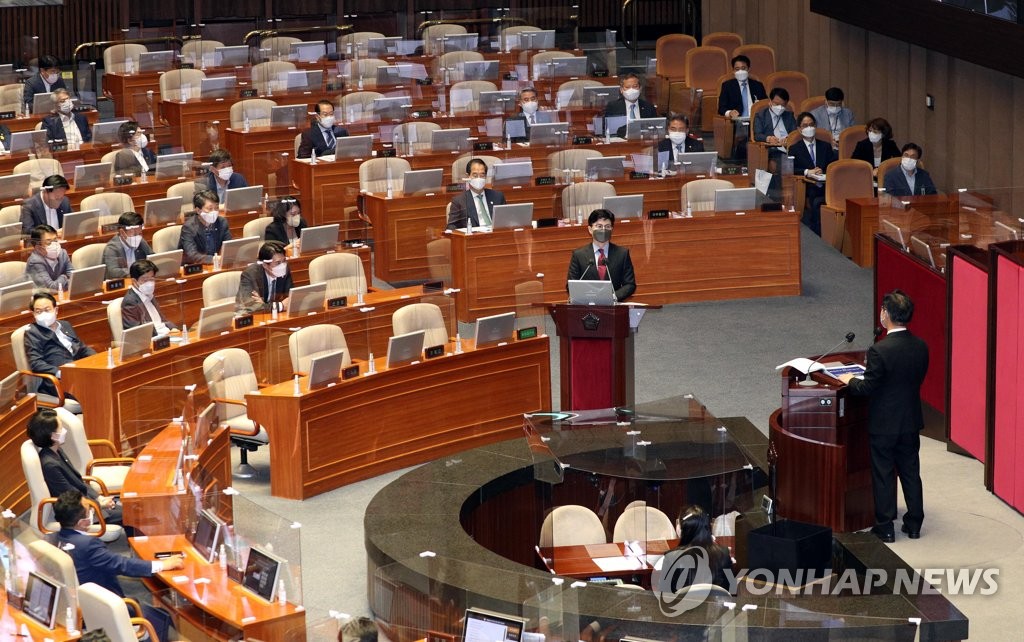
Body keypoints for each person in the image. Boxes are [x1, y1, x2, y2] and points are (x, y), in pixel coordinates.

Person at [839, 290, 929, 542]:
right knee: (911, 471)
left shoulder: (880, 351)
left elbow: (867, 388)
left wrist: (851, 380)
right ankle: (913, 524)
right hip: (910, 420)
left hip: (884, 424)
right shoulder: (921, 346)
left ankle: (885, 526)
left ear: (886, 315)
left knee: (883, 472)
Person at [50, 490, 180, 642]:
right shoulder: (87, 545)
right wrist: (162, 565)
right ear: (82, 522)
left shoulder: (56, 538)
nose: (93, 510)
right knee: (160, 618)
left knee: (151, 610)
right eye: (89, 510)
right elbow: (122, 564)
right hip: (102, 608)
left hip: (77, 607)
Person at [26, 409, 120, 523]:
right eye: (61, 428)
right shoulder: (50, 466)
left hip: (87, 503)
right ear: (54, 436)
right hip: (78, 514)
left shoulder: (56, 450)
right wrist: (99, 504)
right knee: (130, 515)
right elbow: (70, 497)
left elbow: (78, 481)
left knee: (128, 510)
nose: (65, 430)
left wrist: (99, 498)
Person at [23, 292, 96, 398]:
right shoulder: (32, 332)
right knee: (96, 387)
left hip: (79, 371)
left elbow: (82, 348)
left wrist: (97, 359)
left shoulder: (65, 325)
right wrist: (59, 373)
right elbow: (36, 363)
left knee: (105, 379)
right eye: (38, 311)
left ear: (56, 310)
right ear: (33, 314)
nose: (43, 314)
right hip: (59, 381)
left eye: (47, 310)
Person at [655, 505, 732, 592]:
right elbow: (731, 590)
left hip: (682, 605)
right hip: (715, 605)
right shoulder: (724, 554)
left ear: (681, 529)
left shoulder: (671, 558)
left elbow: (664, 595)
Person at [566, 209, 636, 301]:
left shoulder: (622, 253)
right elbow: (571, 284)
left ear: (612, 229)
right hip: (587, 305)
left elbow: (630, 284)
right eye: (599, 226)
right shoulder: (578, 255)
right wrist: (588, 296)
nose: (603, 230)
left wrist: (613, 297)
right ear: (590, 229)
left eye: (607, 226)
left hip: (613, 306)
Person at [788, 112, 836, 236]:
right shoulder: (795, 148)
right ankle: (818, 235)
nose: (809, 128)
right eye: (805, 125)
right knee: (816, 201)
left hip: (827, 185)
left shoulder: (825, 146)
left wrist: (823, 172)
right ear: (799, 129)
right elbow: (790, 169)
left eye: (811, 124)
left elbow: (833, 166)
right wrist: (807, 172)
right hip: (807, 186)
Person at [446, 158, 507, 230]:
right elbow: (451, 228)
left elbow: (506, 221)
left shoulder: (498, 197)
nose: (479, 179)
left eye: (482, 175)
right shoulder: (459, 201)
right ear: (468, 176)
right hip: (474, 239)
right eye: (475, 175)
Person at [121, 259, 177, 336]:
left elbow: (162, 320)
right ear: (134, 281)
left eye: (152, 278)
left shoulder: (149, 295)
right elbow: (136, 333)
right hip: (153, 339)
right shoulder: (130, 302)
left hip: (166, 334)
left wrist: (174, 329)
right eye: (145, 280)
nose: (150, 283)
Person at [236, 241, 292, 314]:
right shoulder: (250, 274)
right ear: (265, 265)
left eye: (284, 261)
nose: (282, 265)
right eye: (278, 263)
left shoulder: (285, 270)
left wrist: (263, 305)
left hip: (274, 316)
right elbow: (252, 306)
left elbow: (290, 299)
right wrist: (279, 306)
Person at [178, 190, 231, 265]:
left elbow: (229, 246)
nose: (214, 212)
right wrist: (214, 259)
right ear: (198, 210)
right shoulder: (188, 227)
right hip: (194, 267)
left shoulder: (222, 222)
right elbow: (192, 255)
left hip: (216, 265)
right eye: (210, 209)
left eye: (216, 208)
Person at [101, 212, 153, 279]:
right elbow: (113, 272)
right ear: (122, 232)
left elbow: (153, 259)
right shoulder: (112, 248)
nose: (137, 237)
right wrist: (139, 272)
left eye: (140, 233)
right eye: (134, 234)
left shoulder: (141, 241)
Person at [603, 73, 657, 138]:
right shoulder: (613, 106)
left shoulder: (649, 107)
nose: (631, 90)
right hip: (621, 143)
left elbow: (655, 129)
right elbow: (606, 130)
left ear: (640, 89)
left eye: (635, 86)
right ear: (621, 90)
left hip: (643, 143)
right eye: (627, 87)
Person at [753, 87, 796, 164]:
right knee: (785, 162)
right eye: (776, 104)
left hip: (789, 148)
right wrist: (768, 138)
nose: (779, 107)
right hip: (774, 150)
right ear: (770, 102)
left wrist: (788, 139)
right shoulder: (761, 116)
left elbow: (795, 133)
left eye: (783, 105)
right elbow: (757, 135)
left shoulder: (789, 115)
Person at [25, 225, 73, 292]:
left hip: (61, 293)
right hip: (43, 298)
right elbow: (51, 289)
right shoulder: (35, 261)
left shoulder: (62, 253)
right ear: (37, 246)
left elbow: (73, 277)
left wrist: (64, 281)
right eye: (48, 241)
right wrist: (64, 277)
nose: (54, 245)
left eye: (55, 240)